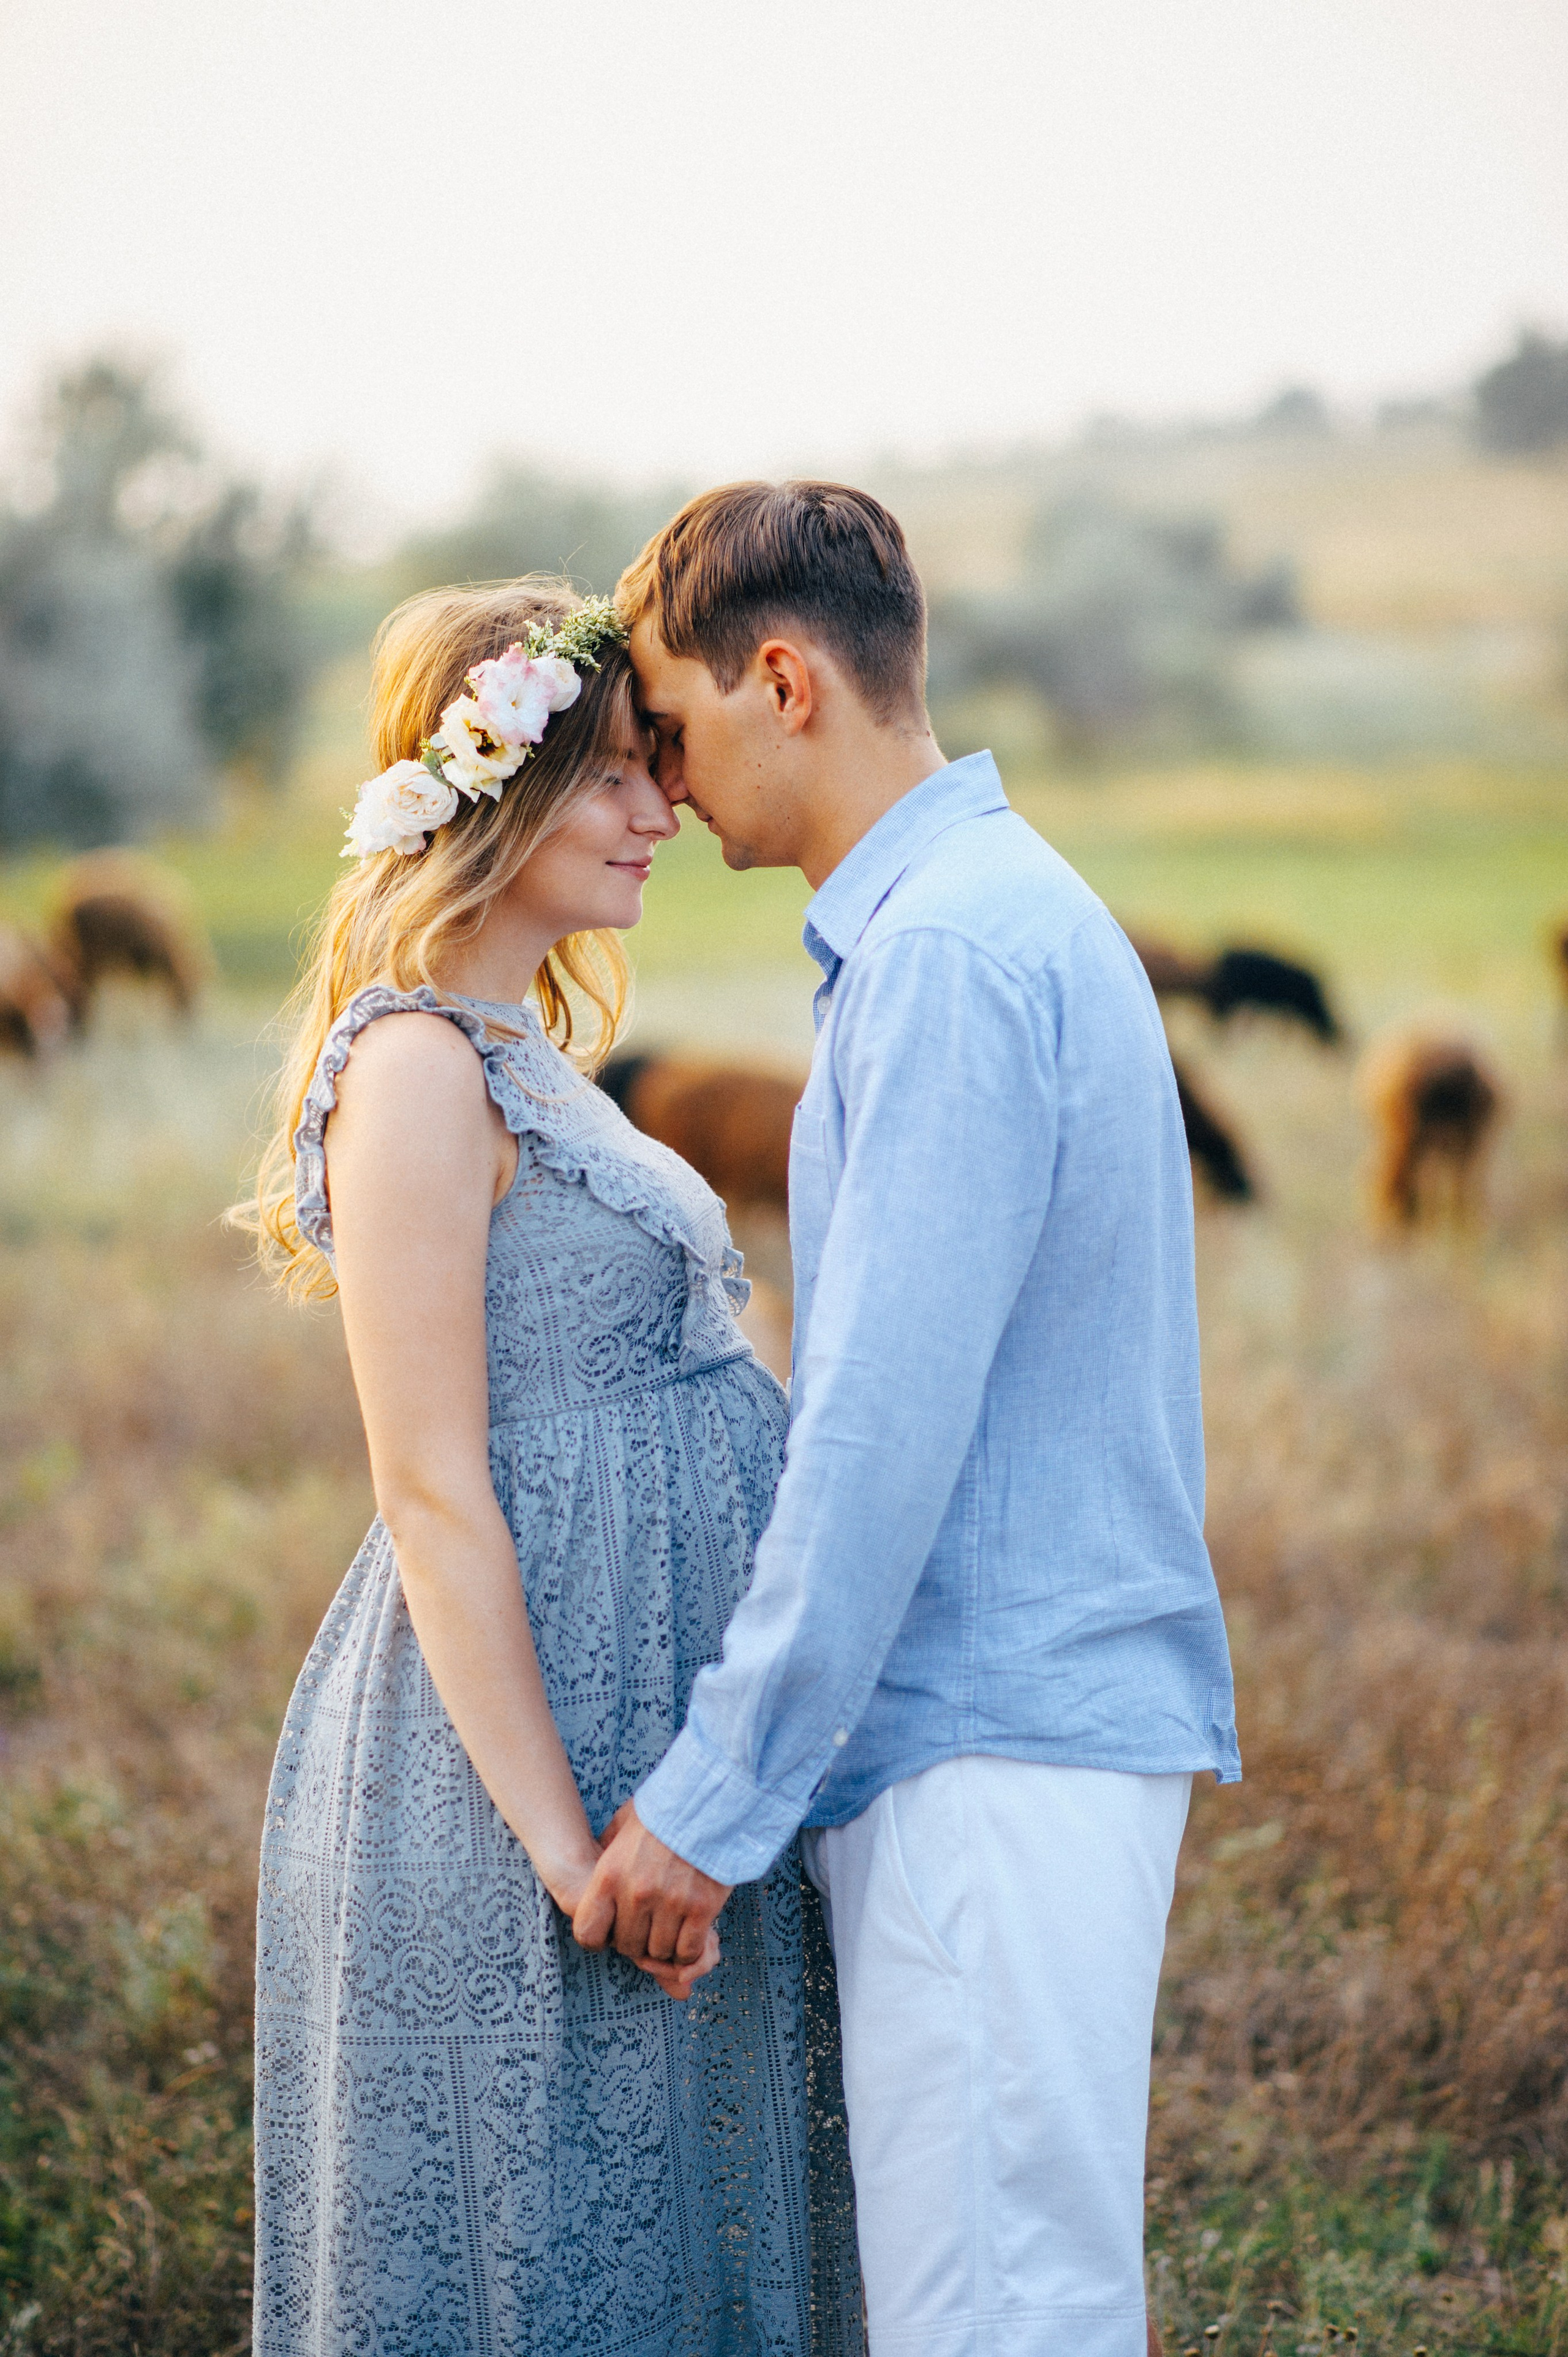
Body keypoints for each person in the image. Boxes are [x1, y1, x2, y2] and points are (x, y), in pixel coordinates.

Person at [575, 483, 1241, 2357]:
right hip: (1004, 1744)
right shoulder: (980, 918)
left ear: (782, 678)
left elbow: (875, 1439)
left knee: (998, 2321)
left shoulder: (949, 957)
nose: (671, 783)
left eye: (681, 730)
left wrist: (708, 1807)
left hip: (991, 1752)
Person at [239, 582, 861, 2356]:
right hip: (525, 1772)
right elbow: (429, 1488)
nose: (660, 813)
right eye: (608, 778)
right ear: (489, 792)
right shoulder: (416, 1071)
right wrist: (565, 1848)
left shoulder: (540, 1061)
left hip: (652, 1721)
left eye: (656, 773)